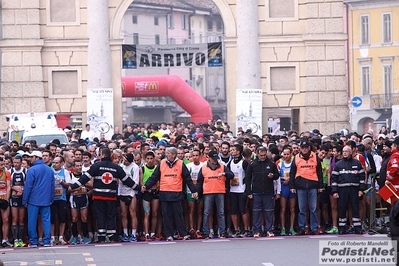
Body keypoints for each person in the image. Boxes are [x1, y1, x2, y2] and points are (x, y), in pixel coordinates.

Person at [70, 147, 139, 243]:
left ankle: (101, 237)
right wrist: (139, 188)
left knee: (100, 216)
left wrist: (72, 186)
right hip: (111, 196)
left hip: (98, 196)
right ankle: (112, 237)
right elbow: (127, 181)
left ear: (102, 155)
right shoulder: (116, 168)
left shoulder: (96, 166)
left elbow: (84, 179)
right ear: (110, 155)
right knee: (111, 215)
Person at [142, 147, 198, 242]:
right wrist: (146, 186)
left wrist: (194, 191)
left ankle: (183, 234)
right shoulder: (162, 163)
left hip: (176, 193)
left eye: (168, 153)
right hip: (164, 192)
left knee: (178, 214)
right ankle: (169, 235)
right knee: (166, 215)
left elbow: (188, 179)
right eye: (166, 153)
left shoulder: (180, 164)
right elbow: (154, 177)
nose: (166, 154)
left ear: (174, 155)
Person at [196, 150, 233, 239]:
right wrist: (197, 192)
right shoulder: (204, 167)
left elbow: (231, 175)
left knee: (221, 213)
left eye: (216, 158)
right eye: (213, 158)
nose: (215, 160)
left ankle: (222, 232)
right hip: (208, 192)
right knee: (207, 213)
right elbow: (199, 182)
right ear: (209, 158)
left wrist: (224, 174)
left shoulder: (222, 166)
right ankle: (206, 232)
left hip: (220, 191)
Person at [289, 140, 323, 235]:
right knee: (302, 209)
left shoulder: (315, 157)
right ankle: (301, 228)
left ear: (309, 148)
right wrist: (292, 186)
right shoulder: (296, 158)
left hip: (313, 185)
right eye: (303, 147)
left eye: (306, 147)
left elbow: (319, 172)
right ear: (300, 148)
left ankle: (314, 228)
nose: (304, 149)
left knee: (313, 208)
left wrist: (320, 186)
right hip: (300, 186)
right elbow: (292, 173)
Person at [22, 151, 55, 248]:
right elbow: (52, 186)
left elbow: (28, 186)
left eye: (32, 157)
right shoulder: (49, 170)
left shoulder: (32, 170)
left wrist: (25, 200)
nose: (30, 159)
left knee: (32, 220)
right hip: (46, 199)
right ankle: (46, 241)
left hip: (33, 199)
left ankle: (33, 241)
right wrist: (51, 198)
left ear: (36, 157)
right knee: (46, 220)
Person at [245, 146, 279, 238]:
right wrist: (248, 192)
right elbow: (247, 179)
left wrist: (273, 175)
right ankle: (257, 231)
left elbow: (277, 175)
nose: (263, 157)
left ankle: (269, 230)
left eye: (264, 155)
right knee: (256, 212)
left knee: (269, 212)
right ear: (257, 154)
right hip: (256, 192)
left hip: (268, 192)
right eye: (261, 155)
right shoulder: (252, 164)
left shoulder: (271, 164)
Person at [331, 146, 366, 234]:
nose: (344, 153)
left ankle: (357, 227)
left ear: (350, 152)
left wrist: (361, 189)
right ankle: (342, 228)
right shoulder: (338, 164)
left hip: (354, 189)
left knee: (355, 208)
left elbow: (362, 177)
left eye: (346, 151)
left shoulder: (357, 163)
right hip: (343, 190)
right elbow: (334, 179)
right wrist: (334, 191)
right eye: (343, 151)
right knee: (342, 208)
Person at [68, 160, 91, 244]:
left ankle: (85, 236)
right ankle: (74, 236)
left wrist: (87, 188)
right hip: (74, 198)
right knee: (74, 218)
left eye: (80, 165)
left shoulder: (85, 176)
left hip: (83, 197)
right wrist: (76, 188)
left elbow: (92, 185)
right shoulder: (70, 176)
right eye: (77, 166)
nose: (79, 167)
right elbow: (69, 189)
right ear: (73, 167)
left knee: (84, 218)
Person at [119, 153, 140, 242]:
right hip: (122, 192)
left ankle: (134, 234)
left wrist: (131, 195)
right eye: (124, 159)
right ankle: (125, 233)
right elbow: (119, 182)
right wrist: (119, 194)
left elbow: (135, 182)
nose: (125, 161)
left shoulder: (135, 167)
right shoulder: (121, 167)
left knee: (132, 213)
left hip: (131, 193)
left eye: (126, 160)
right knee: (123, 214)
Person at [10, 155, 27, 247]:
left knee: (21, 219)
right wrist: (15, 188)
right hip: (14, 198)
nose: (16, 164)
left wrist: (22, 190)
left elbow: (28, 184)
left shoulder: (25, 171)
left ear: (21, 163)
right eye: (14, 163)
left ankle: (21, 239)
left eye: (17, 163)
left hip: (22, 198)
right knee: (14, 218)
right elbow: (9, 185)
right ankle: (15, 239)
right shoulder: (10, 171)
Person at [0, 157, 12, 247]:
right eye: (0, 165)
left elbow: (8, 187)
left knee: (6, 220)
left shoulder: (7, 173)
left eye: (3, 164)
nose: (2, 166)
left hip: (4, 198)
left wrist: (7, 199)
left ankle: (5, 239)